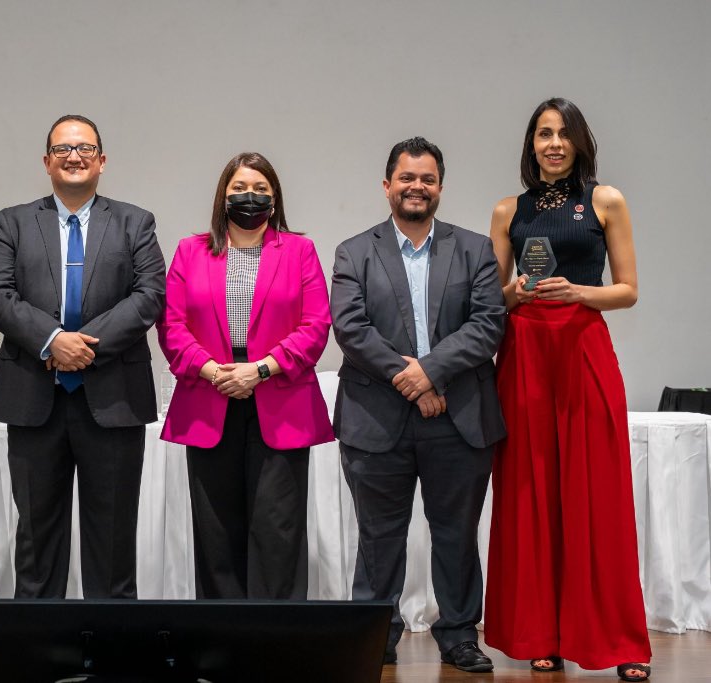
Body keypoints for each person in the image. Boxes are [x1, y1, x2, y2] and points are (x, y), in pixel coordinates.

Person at [484, 98, 651, 682]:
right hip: (525, 353)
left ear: (579, 142)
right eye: (542, 134)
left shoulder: (605, 201)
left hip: (582, 347)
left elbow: (627, 289)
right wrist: (521, 292)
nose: (553, 143)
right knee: (529, 493)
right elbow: (493, 300)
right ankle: (539, 634)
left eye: (562, 134)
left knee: (597, 494)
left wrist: (577, 293)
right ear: (531, 145)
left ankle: (619, 640)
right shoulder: (509, 210)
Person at [330, 137, 505, 672]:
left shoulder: (474, 249)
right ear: (387, 186)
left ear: (440, 189)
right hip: (376, 418)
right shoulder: (353, 251)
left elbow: (487, 323)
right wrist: (412, 379)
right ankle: (376, 633)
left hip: (460, 418)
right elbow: (351, 328)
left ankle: (457, 635)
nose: (417, 187)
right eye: (407, 178)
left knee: (456, 532)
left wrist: (429, 371)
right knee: (380, 537)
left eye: (427, 179)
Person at [0, 114, 166, 599]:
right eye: (63, 149)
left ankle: (111, 655)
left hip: (113, 401)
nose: (74, 156)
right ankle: (39, 653)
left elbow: (149, 295)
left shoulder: (135, 221)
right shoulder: (13, 222)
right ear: (46, 162)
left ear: (102, 161)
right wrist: (51, 340)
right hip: (32, 399)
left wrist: (82, 346)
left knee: (112, 541)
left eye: (84, 148)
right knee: (37, 542)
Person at [157, 152, 331, 599]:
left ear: (274, 200)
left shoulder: (299, 250)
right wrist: (214, 371)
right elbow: (172, 326)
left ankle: (276, 647)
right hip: (209, 397)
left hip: (280, 398)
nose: (248, 198)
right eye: (238, 189)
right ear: (222, 196)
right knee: (216, 534)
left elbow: (315, 327)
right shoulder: (190, 250)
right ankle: (223, 647)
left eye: (259, 190)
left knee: (278, 531)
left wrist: (260, 370)